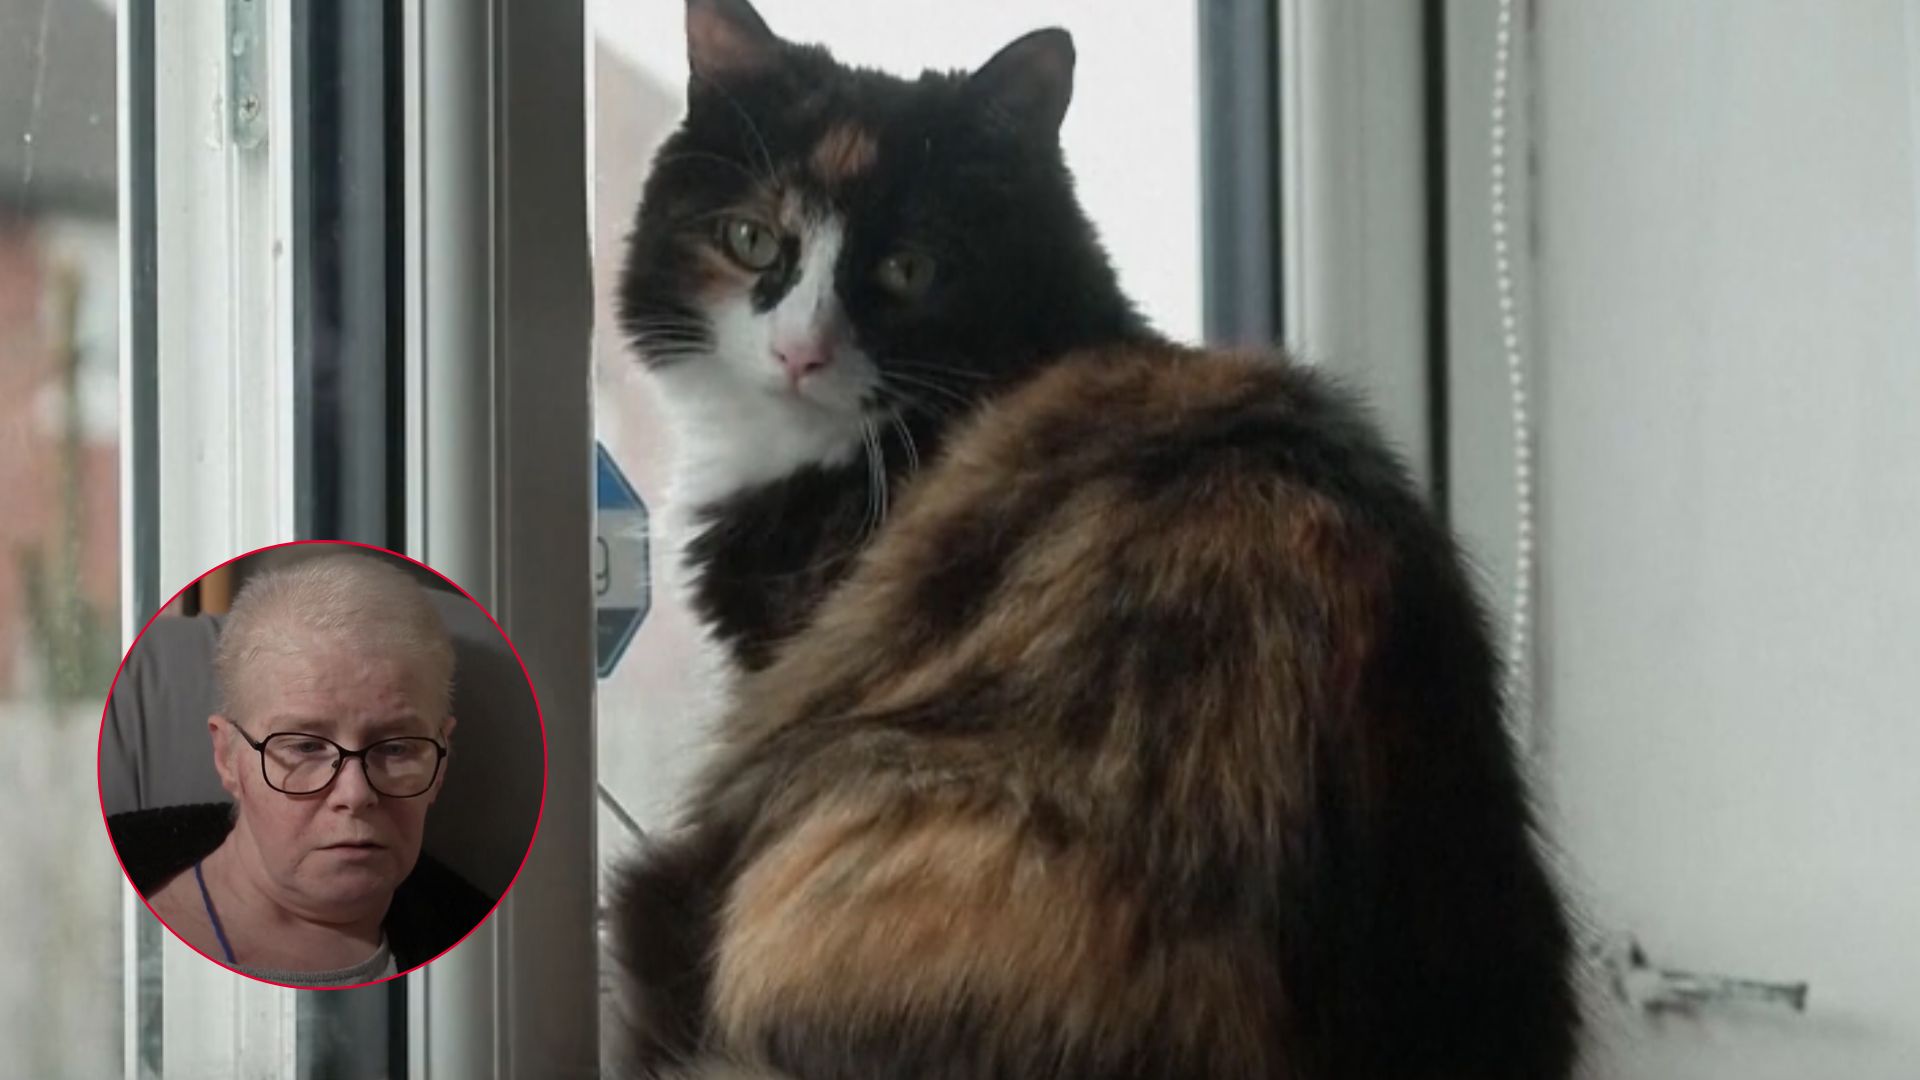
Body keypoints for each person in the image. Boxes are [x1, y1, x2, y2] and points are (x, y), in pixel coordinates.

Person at [109, 552, 493, 987]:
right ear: (228, 757)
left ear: (440, 764)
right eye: (306, 746)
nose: (355, 793)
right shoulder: (104, 944)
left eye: (397, 747)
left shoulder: (494, 958)